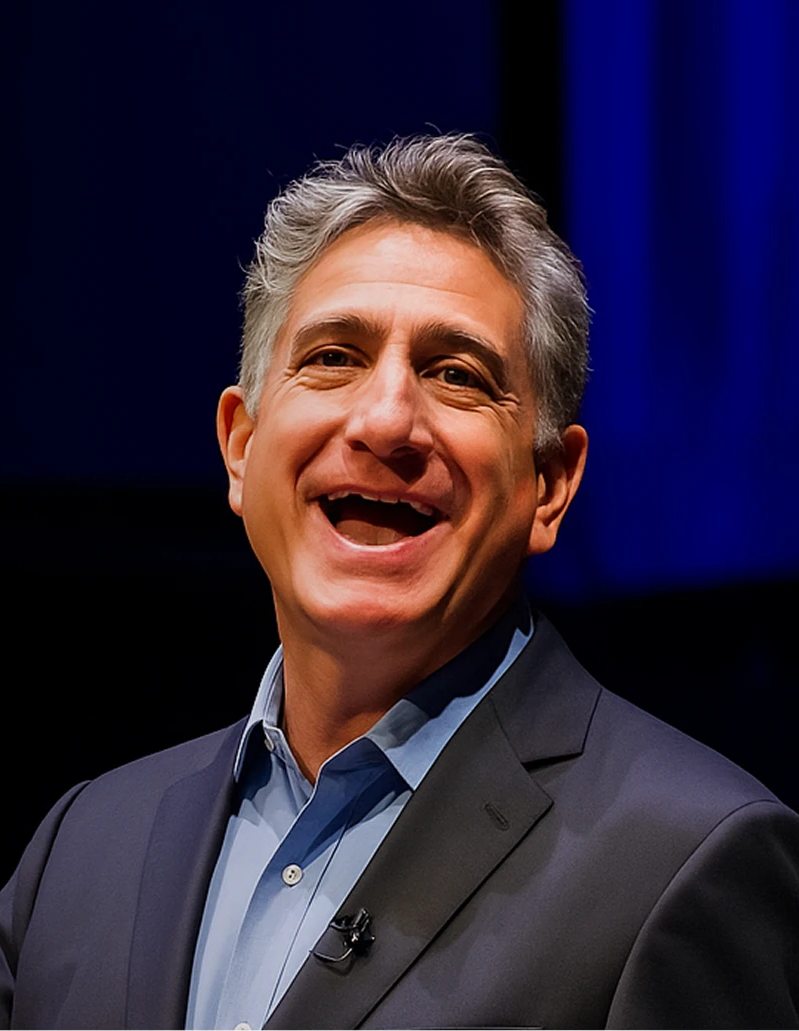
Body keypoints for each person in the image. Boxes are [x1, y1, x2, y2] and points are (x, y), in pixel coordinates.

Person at [1, 134, 797, 1031]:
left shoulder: (687, 856)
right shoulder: (80, 847)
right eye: (333, 357)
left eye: (456, 375)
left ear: (548, 487)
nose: (385, 420)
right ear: (238, 446)